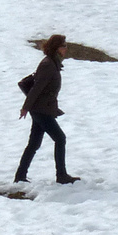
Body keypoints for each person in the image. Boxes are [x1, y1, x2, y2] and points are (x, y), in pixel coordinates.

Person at [15, 35, 79, 184]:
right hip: (41, 110)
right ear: (56, 48)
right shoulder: (48, 65)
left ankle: (20, 176)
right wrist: (25, 107)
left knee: (34, 144)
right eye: (63, 46)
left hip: (43, 109)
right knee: (60, 138)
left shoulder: (53, 63)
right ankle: (61, 175)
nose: (66, 48)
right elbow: (36, 89)